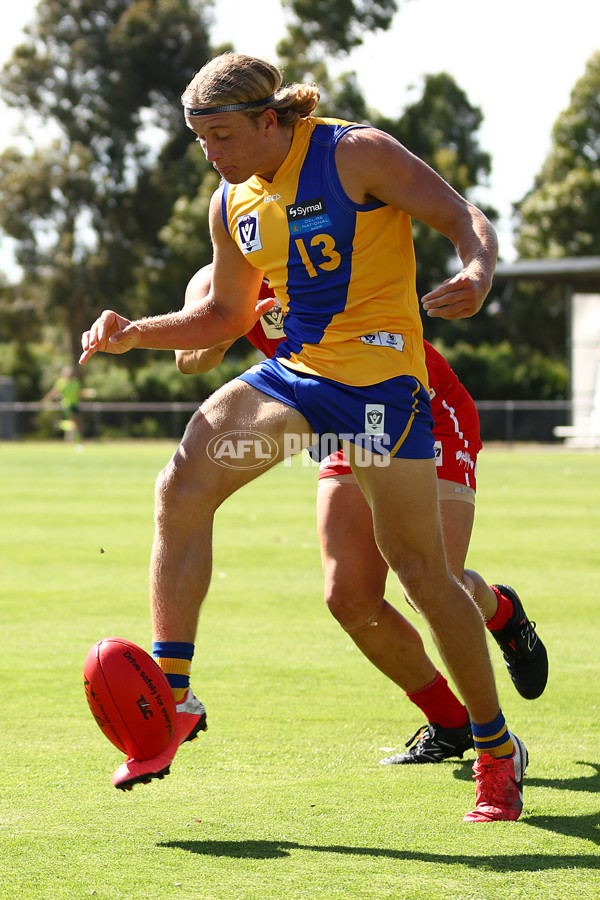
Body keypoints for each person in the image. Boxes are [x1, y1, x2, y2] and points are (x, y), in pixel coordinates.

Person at [80, 52, 529, 821]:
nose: (213, 155)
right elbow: (224, 317)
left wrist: (479, 271)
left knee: (421, 572)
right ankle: (175, 693)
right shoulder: (232, 203)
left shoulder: (353, 153)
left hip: (382, 385)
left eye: (223, 136)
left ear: (269, 119)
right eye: (201, 142)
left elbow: (460, 216)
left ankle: (496, 751)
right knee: (183, 485)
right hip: (299, 377)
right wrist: (134, 333)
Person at [176, 266, 548, 766]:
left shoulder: (327, 237)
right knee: (350, 599)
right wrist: (224, 329)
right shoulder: (221, 274)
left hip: (423, 408)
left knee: (434, 583)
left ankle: (503, 614)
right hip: (341, 422)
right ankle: (449, 721)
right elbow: (189, 360)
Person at [42, 366, 83, 444]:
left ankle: (72, 439)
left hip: (75, 404)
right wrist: (46, 400)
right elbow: (54, 392)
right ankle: (74, 440)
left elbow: (79, 393)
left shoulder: (75, 382)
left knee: (76, 423)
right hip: (67, 405)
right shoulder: (61, 382)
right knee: (74, 422)